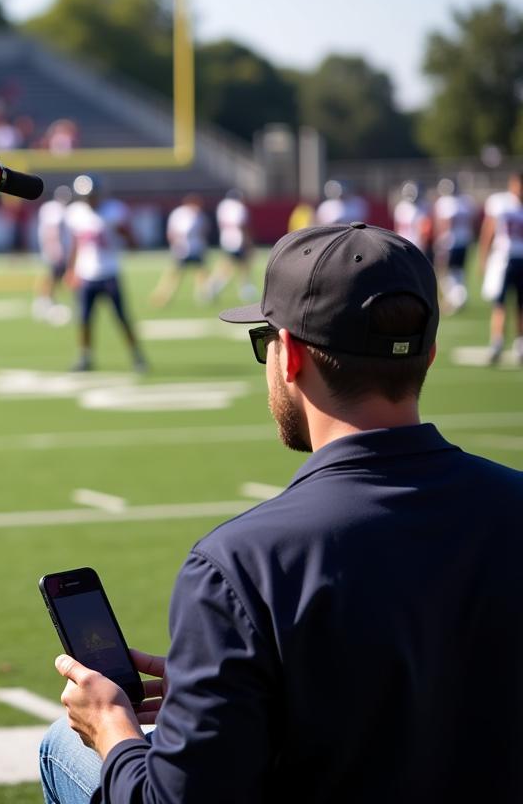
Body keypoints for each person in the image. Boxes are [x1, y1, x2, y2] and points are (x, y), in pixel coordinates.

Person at [40, 222, 523, 803]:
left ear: (289, 353)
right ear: (430, 354)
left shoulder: (242, 563)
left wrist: (112, 730)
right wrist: (225, 687)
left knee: (60, 745)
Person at [64, 174, 147, 373]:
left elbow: (133, 241)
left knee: (122, 318)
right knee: (84, 320)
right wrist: (71, 270)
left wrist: (125, 235)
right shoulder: (76, 213)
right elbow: (76, 245)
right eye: (86, 196)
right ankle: (85, 357)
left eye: (92, 195)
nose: (90, 200)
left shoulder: (114, 211)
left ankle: (137, 356)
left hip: (109, 272)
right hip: (86, 275)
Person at [477, 171, 523, 365]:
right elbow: (489, 229)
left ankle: (520, 343)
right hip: (503, 259)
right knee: (500, 303)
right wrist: (483, 256)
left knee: (521, 305)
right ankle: (497, 343)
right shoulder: (500, 203)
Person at [150, 194, 210, 308]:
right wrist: (176, 246)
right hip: (182, 249)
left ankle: (203, 295)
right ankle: (162, 297)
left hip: (196, 249)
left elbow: (204, 231)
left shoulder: (199, 216)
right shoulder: (179, 214)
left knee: (201, 273)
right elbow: (172, 232)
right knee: (174, 276)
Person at [432, 177, 476, 313]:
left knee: (444, 272)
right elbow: (472, 222)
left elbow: (445, 224)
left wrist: (439, 241)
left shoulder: (445, 202)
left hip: (449, 243)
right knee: (459, 272)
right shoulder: (466, 201)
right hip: (464, 242)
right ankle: (456, 298)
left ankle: (457, 297)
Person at [34, 184, 74, 325]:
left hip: (57, 249)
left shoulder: (56, 208)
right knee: (53, 275)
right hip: (56, 249)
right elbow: (52, 230)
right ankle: (43, 301)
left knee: (55, 276)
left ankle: (46, 300)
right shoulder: (54, 209)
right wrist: (55, 248)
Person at [206, 188, 256, 302]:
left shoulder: (223, 206)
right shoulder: (239, 207)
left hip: (226, 239)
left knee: (230, 266)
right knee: (242, 266)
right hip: (238, 240)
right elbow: (241, 225)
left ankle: (214, 287)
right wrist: (248, 240)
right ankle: (244, 290)